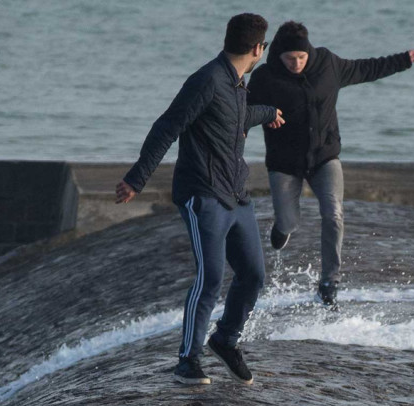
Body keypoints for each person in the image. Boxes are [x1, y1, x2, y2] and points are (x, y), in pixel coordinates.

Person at [114, 13, 286, 386]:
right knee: (210, 278)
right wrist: (136, 178)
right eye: (264, 47)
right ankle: (187, 361)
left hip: (236, 194)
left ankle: (225, 339)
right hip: (203, 194)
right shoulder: (206, 80)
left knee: (253, 274)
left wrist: (268, 113)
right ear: (257, 48)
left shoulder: (238, 83)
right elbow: (167, 127)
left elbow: (236, 120)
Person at [248, 21, 414, 305]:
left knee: (334, 214)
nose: (296, 64)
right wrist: (261, 116)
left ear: (309, 52)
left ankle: (330, 280)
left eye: (301, 58)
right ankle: (282, 227)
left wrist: (403, 60)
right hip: (284, 163)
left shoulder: (327, 64)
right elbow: (244, 112)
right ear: (278, 55)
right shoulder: (265, 78)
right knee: (289, 223)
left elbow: (365, 69)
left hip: (324, 157)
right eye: (290, 59)